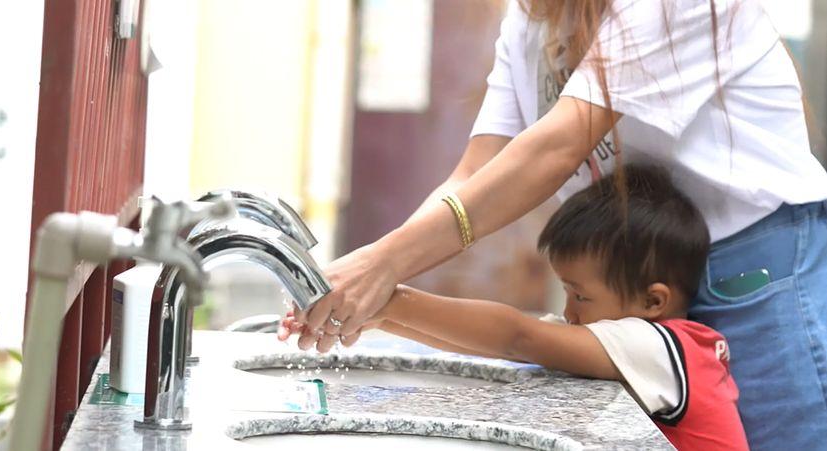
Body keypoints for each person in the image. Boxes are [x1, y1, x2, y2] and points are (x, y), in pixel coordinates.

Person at [282, 1, 827, 449]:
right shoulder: (530, 20)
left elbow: (556, 147)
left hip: (750, 267)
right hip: (633, 269)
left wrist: (384, 270)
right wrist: (372, 281)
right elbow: (475, 173)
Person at [280, 165, 747, 449]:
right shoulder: (646, 345)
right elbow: (497, 346)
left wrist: (389, 295)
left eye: (581, 295)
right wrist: (379, 315)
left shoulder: (661, 348)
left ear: (653, 301)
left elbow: (515, 336)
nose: (570, 311)